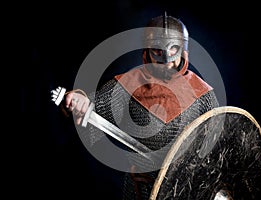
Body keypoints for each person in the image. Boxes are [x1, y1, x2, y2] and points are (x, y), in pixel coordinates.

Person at [63, 14, 219, 200]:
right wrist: (79, 101)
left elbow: (218, 147)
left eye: (174, 48)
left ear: (183, 51)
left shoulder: (202, 93)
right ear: (147, 52)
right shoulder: (129, 85)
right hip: (142, 190)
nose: (166, 58)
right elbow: (93, 110)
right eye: (157, 50)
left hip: (188, 191)